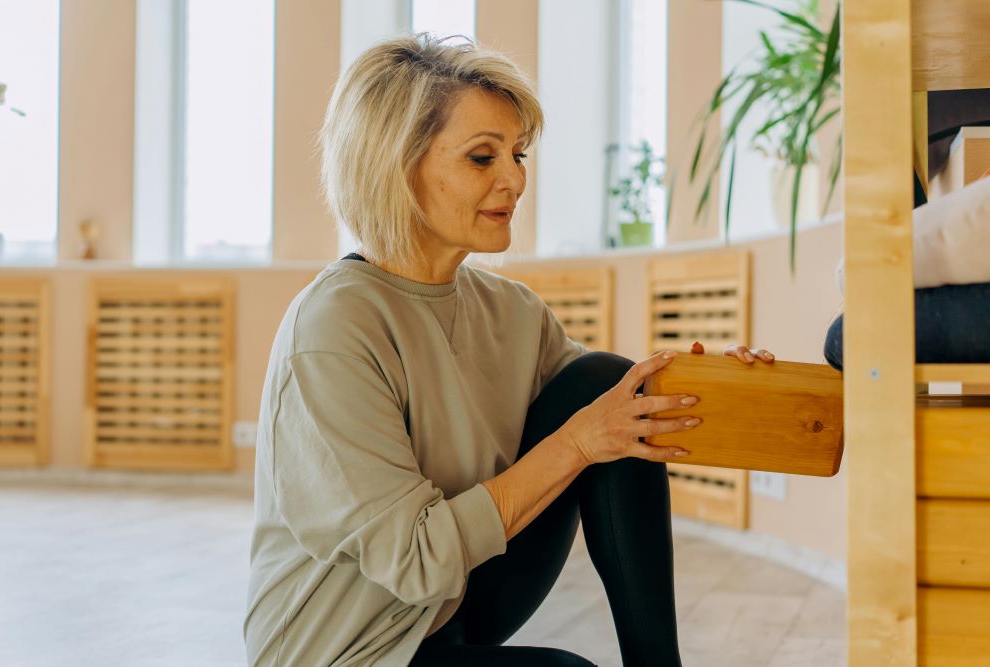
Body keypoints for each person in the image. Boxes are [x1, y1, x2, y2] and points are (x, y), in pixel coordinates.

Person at [244, 34, 774, 667]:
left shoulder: (512, 311)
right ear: (394, 163)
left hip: (452, 614)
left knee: (610, 382)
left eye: (518, 155)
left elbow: (619, 413)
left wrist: (722, 383)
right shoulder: (333, 330)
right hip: (350, 651)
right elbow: (415, 562)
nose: (515, 179)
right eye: (481, 157)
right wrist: (579, 441)